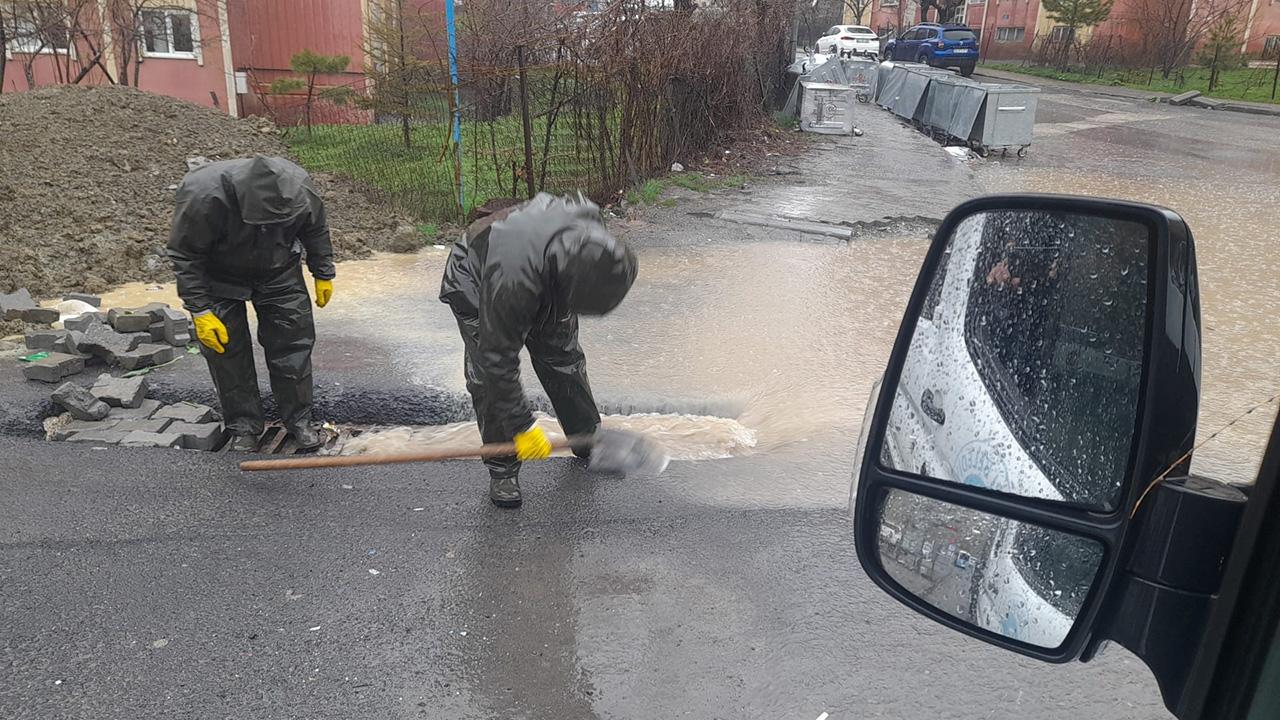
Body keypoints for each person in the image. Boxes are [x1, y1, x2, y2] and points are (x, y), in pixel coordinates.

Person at [440, 193, 638, 508]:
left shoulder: (591, 235)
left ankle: (586, 438)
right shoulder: (513, 279)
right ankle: (502, 467)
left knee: (564, 359)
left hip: (547, 277)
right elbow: (497, 361)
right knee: (487, 383)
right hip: (479, 281)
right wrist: (522, 425)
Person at [167, 155, 335, 452]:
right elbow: (186, 256)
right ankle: (243, 425)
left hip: (279, 269)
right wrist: (200, 309)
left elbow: (315, 229)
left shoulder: (299, 188)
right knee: (227, 353)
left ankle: (299, 420)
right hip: (219, 277)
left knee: (292, 345)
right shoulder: (203, 195)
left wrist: (322, 272)